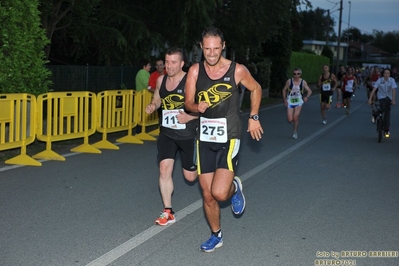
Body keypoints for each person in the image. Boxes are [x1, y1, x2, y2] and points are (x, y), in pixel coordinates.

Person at [185, 27, 264, 252]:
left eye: (216, 48)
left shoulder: (237, 70)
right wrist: (195, 106)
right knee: (208, 194)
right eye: (207, 48)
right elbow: (188, 102)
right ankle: (216, 235)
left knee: (220, 193)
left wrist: (254, 116)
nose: (211, 53)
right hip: (204, 138)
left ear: (223, 46)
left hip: (229, 136)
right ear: (201, 47)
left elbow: (256, 88)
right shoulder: (194, 71)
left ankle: (234, 187)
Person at [145, 47, 198, 225]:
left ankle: (211, 171)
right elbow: (158, 99)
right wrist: (153, 106)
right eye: (167, 62)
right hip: (167, 133)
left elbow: (204, 108)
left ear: (182, 63)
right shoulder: (161, 80)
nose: (169, 66)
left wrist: (190, 116)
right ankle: (168, 211)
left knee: (190, 177)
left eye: (173, 62)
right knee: (164, 169)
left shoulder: (191, 81)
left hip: (188, 134)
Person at [282, 68, 312, 139]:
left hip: (299, 101)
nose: (296, 75)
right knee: (290, 119)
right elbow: (284, 90)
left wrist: (307, 97)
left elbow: (309, 91)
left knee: (295, 117)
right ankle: (294, 122)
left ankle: (295, 132)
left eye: (298, 74)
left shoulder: (303, 82)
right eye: (294, 74)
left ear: (300, 74)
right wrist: (285, 100)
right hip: (290, 101)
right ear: (292, 75)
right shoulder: (289, 81)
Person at [368, 68, 397, 137]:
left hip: (389, 97)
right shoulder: (380, 80)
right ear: (383, 74)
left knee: (387, 113)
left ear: (390, 74)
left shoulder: (392, 80)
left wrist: (393, 100)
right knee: (383, 105)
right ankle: (375, 114)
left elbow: (393, 90)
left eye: (388, 73)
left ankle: (386, 129)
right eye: (385, 73)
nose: (386, 75)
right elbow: (374, 89)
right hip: (381, 96)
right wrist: (370, 99)